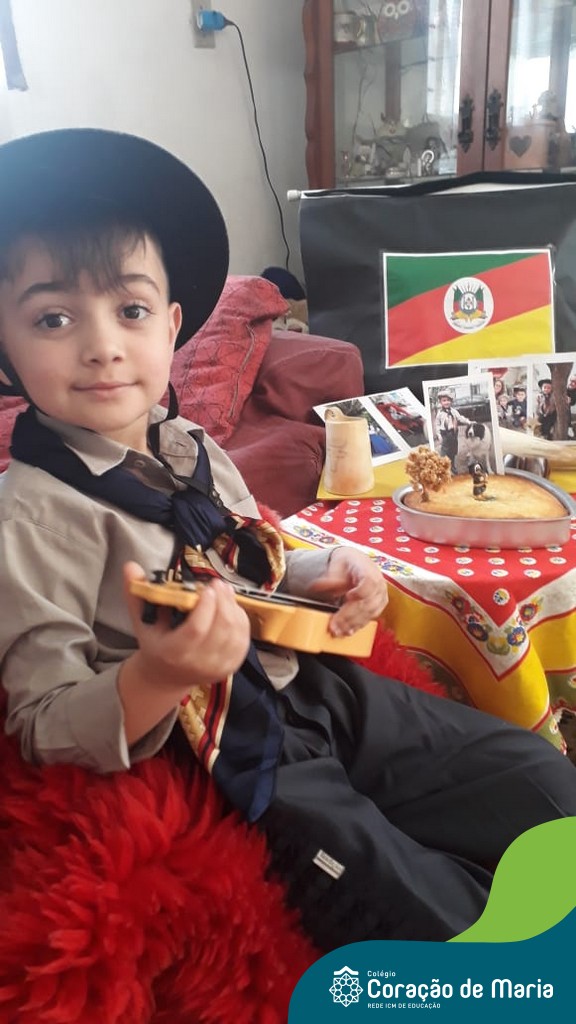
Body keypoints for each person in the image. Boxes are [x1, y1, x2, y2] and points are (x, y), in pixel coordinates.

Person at [0, 130, 575, 952]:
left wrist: (326, 568)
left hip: (312, 684)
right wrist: (157, 675)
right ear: (7, 345)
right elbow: (44, 721)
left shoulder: (188, 446)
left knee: (540, 783)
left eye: (130, 311)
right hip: (224, 741)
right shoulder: (30, 517)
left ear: (171, 326)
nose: (102, 346)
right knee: (431, 911)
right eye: (52, 318)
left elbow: (255, 557)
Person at [434, 389, 471, 472]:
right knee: (444, 451)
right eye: (444, 401)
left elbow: (460, 418)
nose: (446, 402)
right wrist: (438, 434)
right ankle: (444, 467)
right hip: (445, 434)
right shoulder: (440, 413)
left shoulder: (454, 411)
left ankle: (452, 465)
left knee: (453, 451)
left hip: (453, 433)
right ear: (440, 402)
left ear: (451, 401)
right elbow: (437, 424)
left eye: (448, 400)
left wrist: (468, 422)